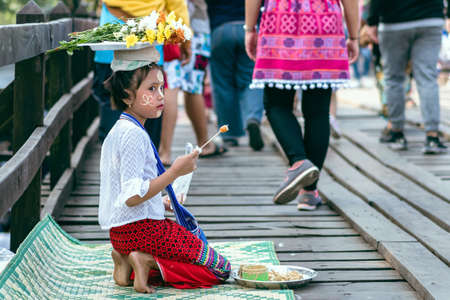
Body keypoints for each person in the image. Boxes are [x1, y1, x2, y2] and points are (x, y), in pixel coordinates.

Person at [99, 46, 231, 293]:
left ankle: (127, 261)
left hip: (121, 233)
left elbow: (127, 191)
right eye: (151, 89)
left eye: (162, 87)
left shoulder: (121, 129)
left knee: (189, 252)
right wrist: (174, 173)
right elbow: (131, 196)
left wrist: (159, 203)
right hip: (143, 231)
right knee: (219, 269)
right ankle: (146, 261)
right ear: (127, 96)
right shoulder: (134, 136)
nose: (161, 95)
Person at [245, 0, 359, 210]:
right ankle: (309, 192)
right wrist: (354, 35)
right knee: (318, 112)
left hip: (280, 20)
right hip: (324, 22)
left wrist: (250, 27)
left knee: (276, 105)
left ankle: (298, 161)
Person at [93, 0, 192, 147]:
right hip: (149, 39)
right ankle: (148, 163)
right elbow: (176, 5)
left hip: (112, 38)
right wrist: (185, 41)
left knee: (112, 102)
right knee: (150, 104)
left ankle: (113, 159)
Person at [367, 0, 448, 154]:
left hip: (394, 20)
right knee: (427, 78)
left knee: (393, 78)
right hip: (430, 17)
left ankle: (397, 133)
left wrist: (372, 21)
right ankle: (432, 136)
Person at [159, 0, 227, 165]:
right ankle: (204, 144)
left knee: (170, 85)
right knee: (194, 87)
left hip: (167, 25)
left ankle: (164, 151)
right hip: (197, 29)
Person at [206, 0, 265, 150]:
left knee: (223, 84)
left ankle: (230, 134)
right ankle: (253, 118)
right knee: (251, 79)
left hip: (220, 29)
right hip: (250, 28)